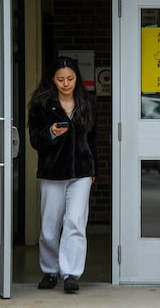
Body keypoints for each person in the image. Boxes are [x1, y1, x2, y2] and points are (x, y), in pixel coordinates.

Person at [28, 56, 97, 293]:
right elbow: (35, 140)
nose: (66, 83)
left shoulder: (86, 104)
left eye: (70, 78)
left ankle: (70, 274)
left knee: (75, 222)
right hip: (52, 173)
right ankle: (49, 271)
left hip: (81, 173)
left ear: (77, 79)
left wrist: (94, 170)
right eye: (60, 79)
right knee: (49, 226)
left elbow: (93, 141)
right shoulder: (41, 105)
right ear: (52, 79)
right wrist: (51, 132)